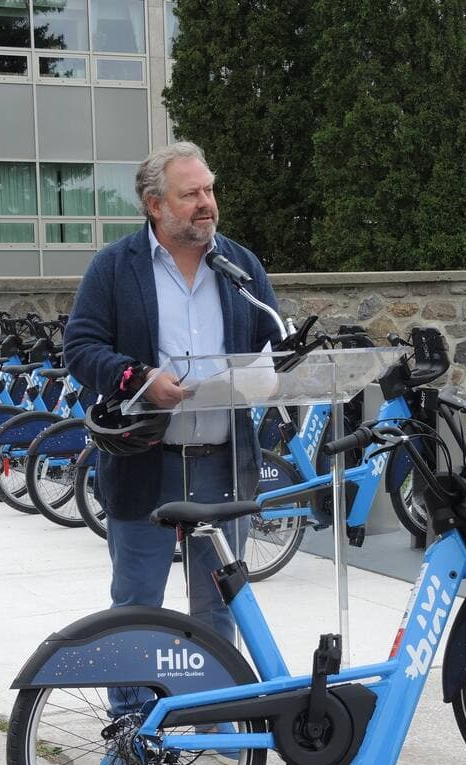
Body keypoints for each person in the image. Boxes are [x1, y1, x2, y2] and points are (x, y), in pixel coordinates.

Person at [63, 140, 281, 667]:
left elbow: (275, 341)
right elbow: (80, 348)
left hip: (222, 466)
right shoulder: (116, 267)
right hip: (145, 465)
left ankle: (212, 722)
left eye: (209, 190)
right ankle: (135, 728)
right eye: (191, 194)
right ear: (154, 204)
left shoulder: (239, 264)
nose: (207, 203)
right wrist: (137, 377)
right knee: (137, 607)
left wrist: (273, 373)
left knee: (218, 609)